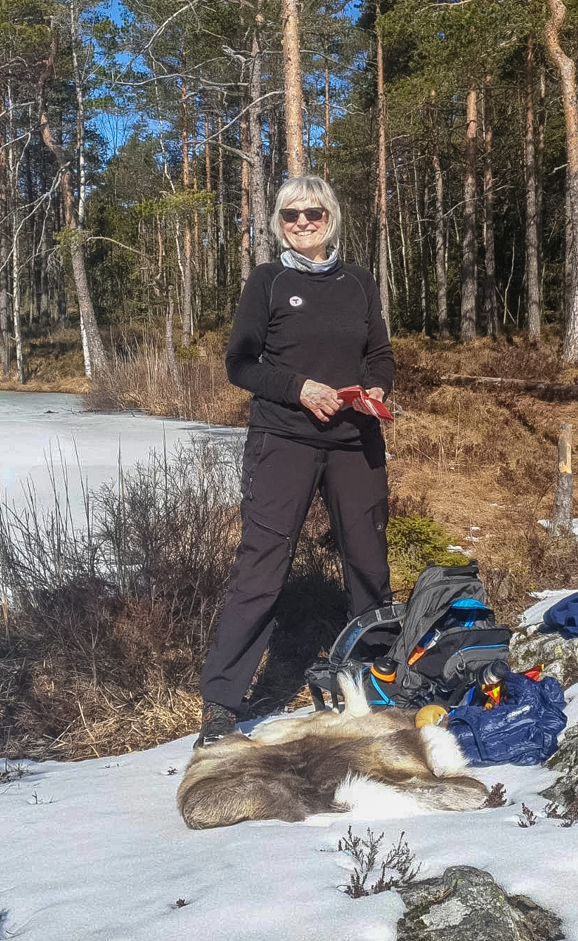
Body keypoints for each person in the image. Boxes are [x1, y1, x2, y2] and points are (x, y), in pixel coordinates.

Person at [195, 175, 395, 746]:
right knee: (261, 566)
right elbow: (241, 364)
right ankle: (221, 703)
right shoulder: (268, 281)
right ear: (277, 223)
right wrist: (299, 387)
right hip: (283, 438)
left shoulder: (360, 282)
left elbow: (378, 353)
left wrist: (375, 388)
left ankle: (376, 680)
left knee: (368, 564)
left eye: (313, 213)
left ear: (331, 217)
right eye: (290, 215)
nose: (303, 222)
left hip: (356, 439)